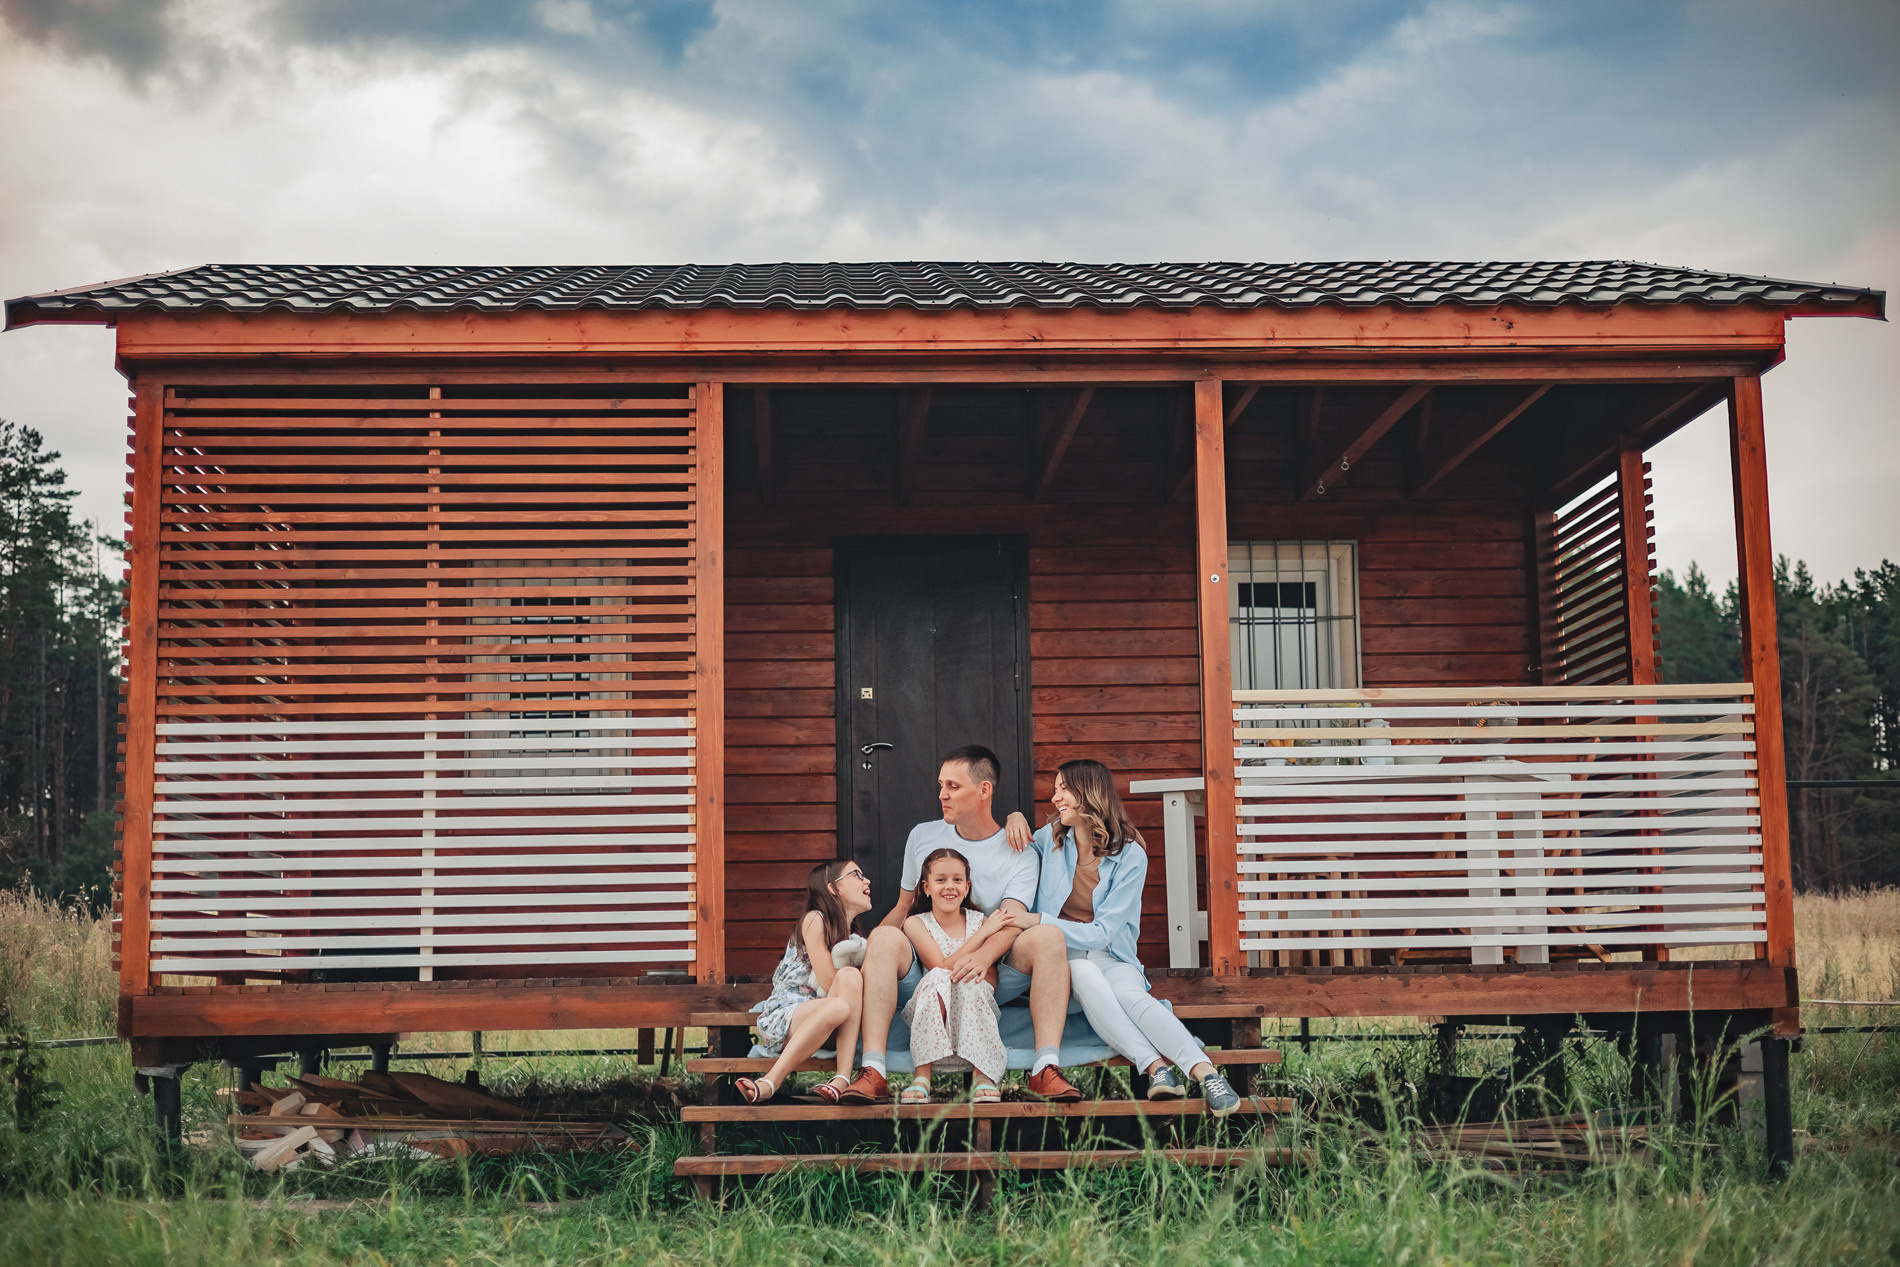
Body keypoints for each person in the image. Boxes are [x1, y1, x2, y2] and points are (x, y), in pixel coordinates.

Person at [839, 744, 1083, 1103]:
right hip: (925, 970)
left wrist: (981, 958)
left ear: (984, 790)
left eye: (952, 786)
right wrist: (870, 951)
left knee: (1048, 936)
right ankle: (873, 1071)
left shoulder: (1019, 850)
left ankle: (1045, 1068)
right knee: (885, 936)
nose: (942, 794)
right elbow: (904, 907)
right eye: (941, 785)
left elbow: (1010, 922)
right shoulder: (922, 836)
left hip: (991, 971)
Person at [1022, 758, 1242, 1117]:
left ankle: (1206, 1074)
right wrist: (1014, 820)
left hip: (1112, 954)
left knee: (1132, 996)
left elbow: (1104, 933)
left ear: (1088, 793)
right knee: (1084, 973)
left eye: (1063, 789)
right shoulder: (1050, 840)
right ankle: (1156, 1067)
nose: (1055, 798)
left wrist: (1040, 920)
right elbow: (1014, 853)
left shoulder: (1130, 854)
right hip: (1065, 957)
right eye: (1055, 790)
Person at [738, 859, 874, 1104]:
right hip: (789, 1018)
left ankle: (842, 1078)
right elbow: (827, 981)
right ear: (833, 888)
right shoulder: (814, 919)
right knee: (842, 999)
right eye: (856, 875)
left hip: (830, 1024)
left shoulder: (852, 938)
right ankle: (771, 1081)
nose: (867, 881)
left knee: (848, 983)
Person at [899, 847, 1012, 1103]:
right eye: (941, 880)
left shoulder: (979, 920)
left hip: (975, 1000)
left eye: (957, 880)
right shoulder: (916, 923)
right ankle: (922, 1074)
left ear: (967, 886)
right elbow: (940, 965)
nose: (950, 886)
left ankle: (982, 1074)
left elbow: (990, 974)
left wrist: (983, 935)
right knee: (939, 977)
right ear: (927, 887)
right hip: (934, 1002)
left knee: (971, 981)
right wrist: (982, 935)